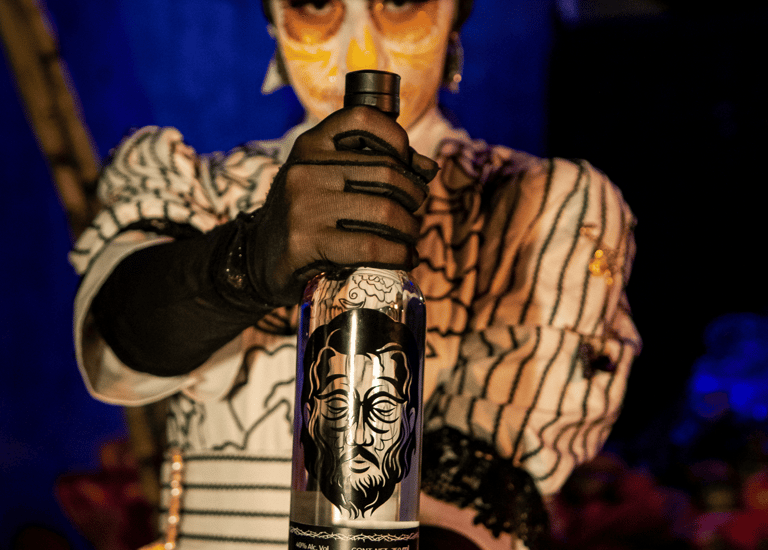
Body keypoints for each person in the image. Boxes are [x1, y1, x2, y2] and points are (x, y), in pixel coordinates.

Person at [70, 0, 641, 549]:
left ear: (456, 14)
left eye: (400, 1)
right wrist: (249, 258)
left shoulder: (539, 210)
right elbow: (121, 345)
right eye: (316, 3)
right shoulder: (193, 187)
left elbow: (482, 495)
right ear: (272, 17)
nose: (361, 49)